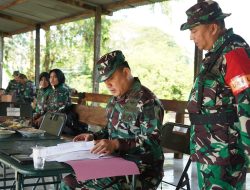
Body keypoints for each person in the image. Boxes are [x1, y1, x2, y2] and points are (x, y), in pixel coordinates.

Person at [61, 50, 164, 190]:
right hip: (114, 162)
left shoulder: (147, 101)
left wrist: (116, 144)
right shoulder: (115, 100)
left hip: (141, 170)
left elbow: (152, 143)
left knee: (74, 185)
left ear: (126, 72)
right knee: (69, 179)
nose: (108, 85)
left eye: (111, 78)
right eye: (105, 81)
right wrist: (93, 136)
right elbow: (110, 130)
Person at [180, 1, 250, 189]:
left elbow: (247, 105)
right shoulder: (216, 54)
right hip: (211, 152)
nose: (190, 37)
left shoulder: (233, 53)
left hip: (226, 156)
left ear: (212, 27)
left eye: (194, 30)